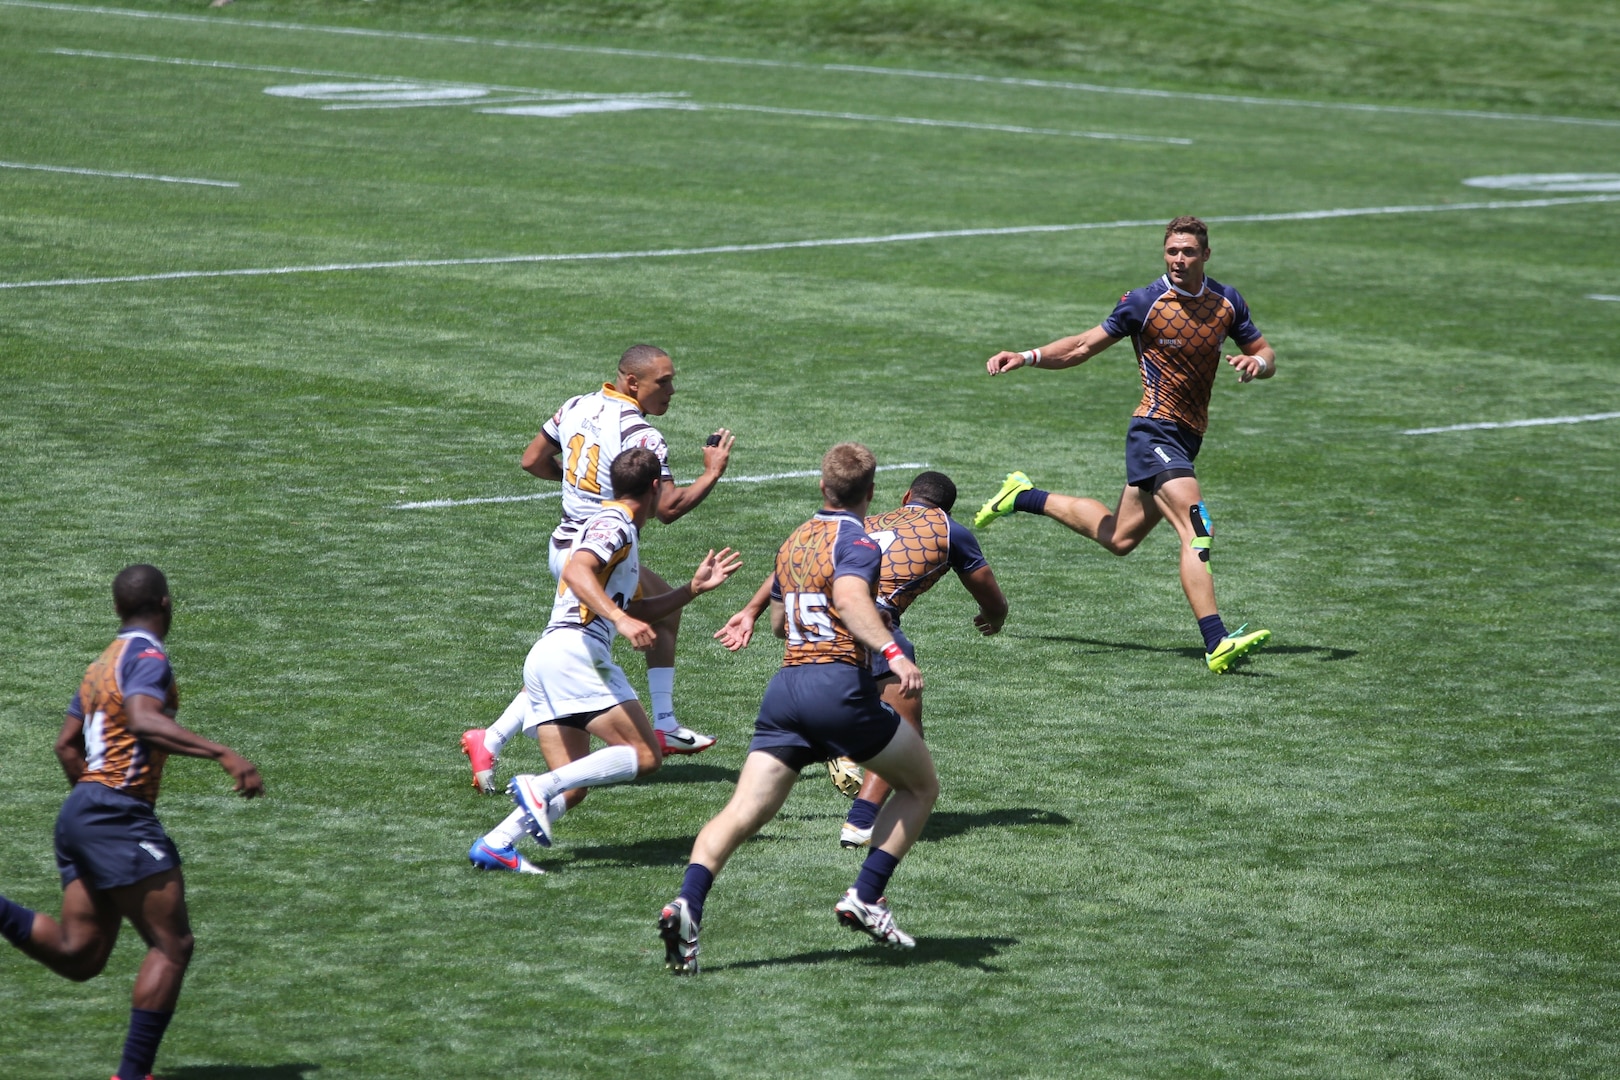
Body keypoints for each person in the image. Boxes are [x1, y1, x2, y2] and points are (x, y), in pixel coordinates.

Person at [658, 444, 940, 974]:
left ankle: (687, 904)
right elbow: (855, 601)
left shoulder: (794, 541)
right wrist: (894, 651)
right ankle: (866, 894)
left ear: (822, 487)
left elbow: (777, 624)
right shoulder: (857, 541)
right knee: (921, 784)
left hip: (785, 692)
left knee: (741, 813)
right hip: (839, 690)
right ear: (871, 492)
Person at [976, 215, 1275, 674]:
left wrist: (1257, 364)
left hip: (1188, 438)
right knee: (1198, 529)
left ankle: (1022, 495)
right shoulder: (1144, 303)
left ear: (1206, 255)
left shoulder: (1226, 301)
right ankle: (1216, 641)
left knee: (1119, 538)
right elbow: (1081, 347)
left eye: (1188, 252)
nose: (1179, 259)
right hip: (1154, 430)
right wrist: (1027, 356)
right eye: (1172, 251)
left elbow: (1266, 353)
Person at [0, 565, 263, 1080]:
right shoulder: (147, 656)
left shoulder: (101, 664)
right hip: (115, 812)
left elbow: (65, 745)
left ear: (118, 609)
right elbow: (144, 719)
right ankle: (132, 1075)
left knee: (82, 956)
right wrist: (224, 754)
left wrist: (91, 804)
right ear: (165, 605)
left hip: (82, 812)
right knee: (173, 945)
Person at [462, 344, 736, 793]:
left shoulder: (576, 405)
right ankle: (659, 723)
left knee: (612, 631)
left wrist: (573, 479)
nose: (672, 390)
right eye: (662, 382)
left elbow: (531, 460)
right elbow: (667, 508)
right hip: (599, 552)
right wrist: (712, 473)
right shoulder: (643, 436)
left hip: (566, 543)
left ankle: (491, 739)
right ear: (633, 383)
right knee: (590, 644)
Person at [469, 448, 742, 873]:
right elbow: (577, 571)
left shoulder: (621, 532)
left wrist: (691, 589)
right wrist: (618, 619)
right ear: (655, 488)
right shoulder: (614, 524)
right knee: (646, 755)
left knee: (574, 783)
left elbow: (637, 608)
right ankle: (538, 786)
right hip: (577, 654)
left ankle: (497, 842)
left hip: (547, 659)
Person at [715, 470, 1007, 847]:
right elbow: (990, 594)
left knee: (842, 707)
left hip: (820, 625)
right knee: (905, 730)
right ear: (947, 509)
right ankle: (860, 817)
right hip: (874, 624)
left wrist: (750, 612)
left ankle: (839, 750)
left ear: (906, 497)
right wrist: (994, 618)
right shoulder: (951, 530)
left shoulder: (863, 523)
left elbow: (799, 563)